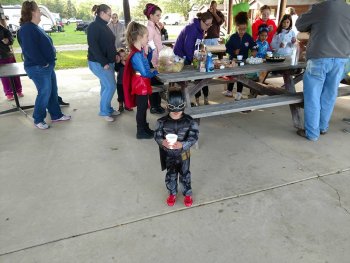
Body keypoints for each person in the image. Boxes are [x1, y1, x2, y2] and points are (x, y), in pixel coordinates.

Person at [295, 0, 350, 141]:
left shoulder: (320, 7)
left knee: (313, 96)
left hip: (320, 57)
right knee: (329, 94)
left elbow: (299, 24)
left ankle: (312, 133)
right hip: (341, 59)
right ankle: (322, 127)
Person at [18, 1, 71, 130]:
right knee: (44, 92)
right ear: (32, 12)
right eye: (38, 10)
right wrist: (44, 63)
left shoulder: (34, 26)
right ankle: (38, 118)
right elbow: (30, 51)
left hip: (46, 66)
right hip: (39, 67)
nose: (40, 12)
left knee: (52, 91)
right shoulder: (26, 29)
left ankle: (56, 115)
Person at [154, 90, 199, 207]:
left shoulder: (190, 121)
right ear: (168, 106)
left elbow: (194, 136)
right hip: (169, 154)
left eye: (179, 109)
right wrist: (162, 141)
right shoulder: (161, 122)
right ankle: (172, 193)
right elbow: (157, 135)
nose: (176, 112)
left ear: (183, 106)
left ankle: (187, 193)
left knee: (185, 174)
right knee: (171, 174)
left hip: (184, 154)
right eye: (173, 109)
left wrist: (183, 144)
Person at [123, 21, 158, 139]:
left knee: (143, 108)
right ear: (139, 37)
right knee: (142, 109)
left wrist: (149, 55)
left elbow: (144, 64)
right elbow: (144, 72)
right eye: (146, 36)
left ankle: (144, 127)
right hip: (140, 85)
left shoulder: (139, 51)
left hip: (142, 84)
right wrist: (157, 72)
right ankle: (140, 131)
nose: (148, 38)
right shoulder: (136, 54)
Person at [87, 4, 120, 122]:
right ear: (101, 14)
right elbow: (94, 47)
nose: (111, 17)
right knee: (111, 86)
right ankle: (104, 111)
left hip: (108, 61)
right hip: (99, 63)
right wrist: (103, 63)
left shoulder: (104, 26)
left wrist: (115, 54)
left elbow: (109, 44)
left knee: (106, 86)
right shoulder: (93, 27)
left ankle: (108, 108)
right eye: (109, 14)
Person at [173, 12, 213, 106]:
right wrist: (197, 61)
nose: (208, 27)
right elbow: (188, 48)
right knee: (184, 81)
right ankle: (181, 103)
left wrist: (202, 53)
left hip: (190, 56)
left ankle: (195, 100)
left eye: (210, 25)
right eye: (207, 24)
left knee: (201, 77)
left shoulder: (200, 29)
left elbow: (198, 45)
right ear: (201, 21)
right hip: (181, 56)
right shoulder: (191, 29)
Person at [223, 12, 256, 100]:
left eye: (244, 29)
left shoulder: (248, 37)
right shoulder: (233, 37)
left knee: (240, 77)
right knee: (232, 76)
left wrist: (254, 50)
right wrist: (233, 51)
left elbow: (254, 45)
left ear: (246, 27)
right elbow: (227, 48)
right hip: (233, 60)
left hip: (243, 61)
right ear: (236, 27)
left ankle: (239, 93)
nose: (242, 31)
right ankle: (229, 91)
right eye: (240, 29)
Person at [143, 3, 165, 114]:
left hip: (157, 58)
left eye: (160, 15)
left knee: (157, 83)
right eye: (157, 15)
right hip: (153, 60)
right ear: (151, 16)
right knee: (154, 84)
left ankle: (157, 105)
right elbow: (148, 43)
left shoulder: (154, 26)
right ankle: (154, 106)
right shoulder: (149, 28)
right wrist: (154, 56)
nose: (159, 17)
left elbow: (157, 42)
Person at [0, 17, 23, 101]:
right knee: (4, 77)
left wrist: (8, 40)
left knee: (15, 74)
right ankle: (9, 93)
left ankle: (18, 90)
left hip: (7, 54)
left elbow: (11, 37)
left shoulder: (2, 28)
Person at [114, 48, 132, 112]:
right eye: (120, 56)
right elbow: (116, 69)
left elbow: (131, 70)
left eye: (124, 56)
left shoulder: (128, 63)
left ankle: (127, 105)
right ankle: (120, 106)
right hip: (120, 83)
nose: (122, 58)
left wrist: (126, 64)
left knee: (127, 94)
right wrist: (118, 61)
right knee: (120, 95)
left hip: (127, 82)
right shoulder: (118, 64)